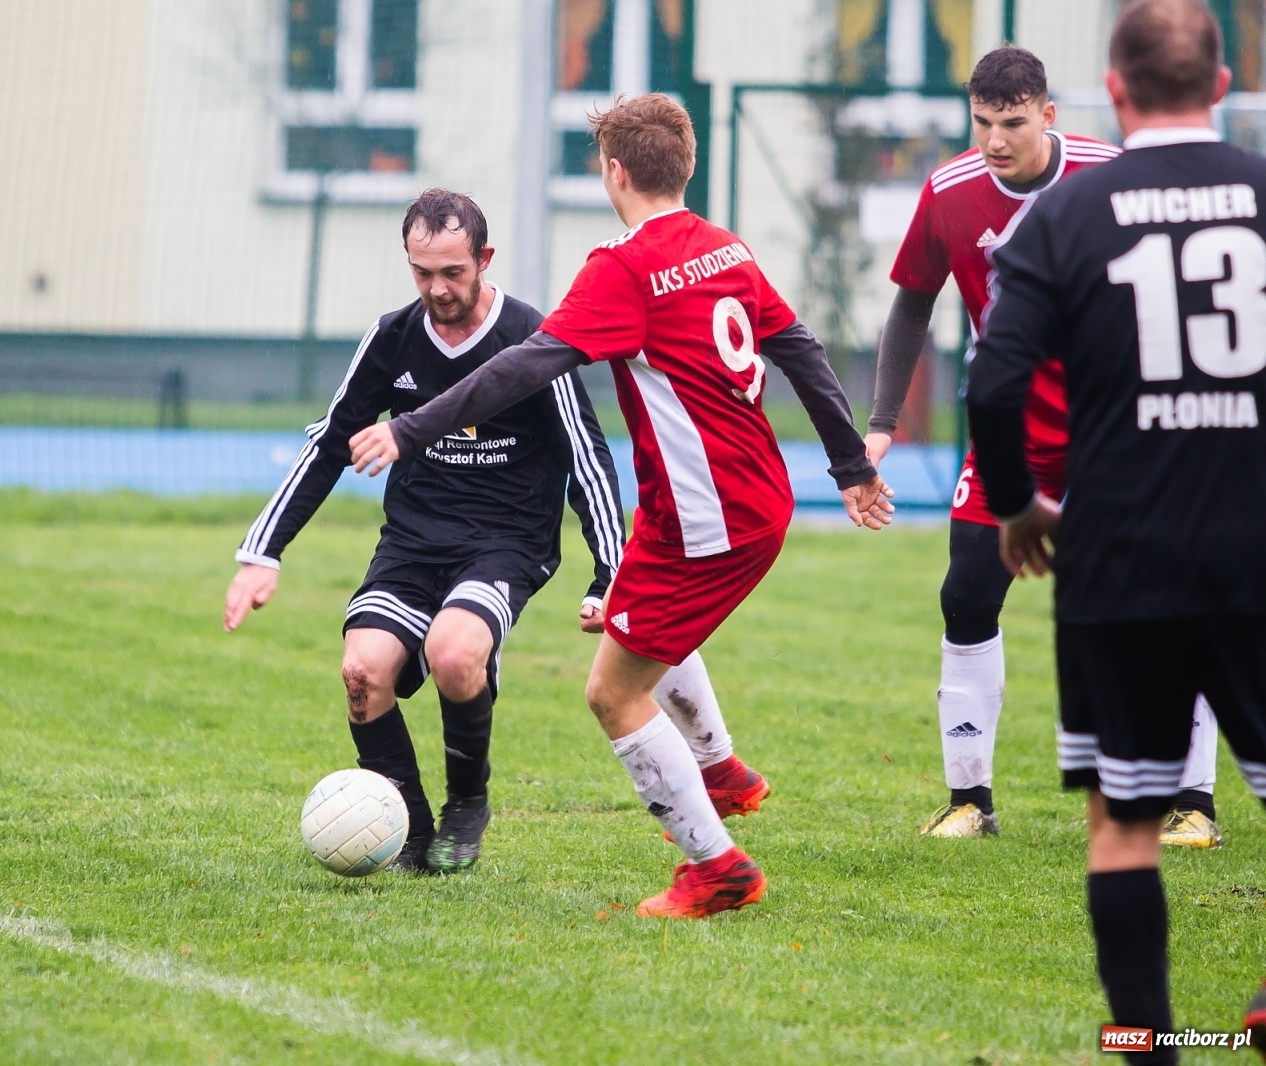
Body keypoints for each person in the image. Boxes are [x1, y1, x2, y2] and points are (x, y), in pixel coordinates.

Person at [349, 96, 894, 917]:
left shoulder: (624, 267)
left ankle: (717, 870)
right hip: (746, 497)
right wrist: (849, 462)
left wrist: (412, 428)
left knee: (613, 693)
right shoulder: (724, 247)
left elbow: (524, 367)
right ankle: (722, 770)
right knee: (630, 616)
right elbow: (800, 350)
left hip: (708, 517)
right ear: (686, 166)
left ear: (614, 172)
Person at [224, 188, 755, 874]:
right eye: (423, 273)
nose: (438, 289)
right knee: (362, 672)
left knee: (452, 654)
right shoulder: (392, 339)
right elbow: (331, 445)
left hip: (506, 542)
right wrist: (261, 553)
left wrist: (608, 571)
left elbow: (585, 458)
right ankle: (407, 823)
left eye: (453, 272)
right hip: (413, 545)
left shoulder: (533, 337)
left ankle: (467, 804)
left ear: (484, 258)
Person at [967, 2, 1266, 1056]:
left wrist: (1015, 505)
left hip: (1119, 556)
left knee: (1123, 824)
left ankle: (1146, 1040)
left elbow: (993, 383)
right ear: (1221, 86)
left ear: (1117, 92)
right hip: (1253, 551)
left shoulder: (1066, 216)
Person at [867, 45, 1224, 845]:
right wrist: (883, 424)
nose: (996, 140)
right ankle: (971, 801)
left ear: (1049, 115)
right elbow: (911, 306)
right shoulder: (950, 192)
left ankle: (1194, 803)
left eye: (1014, 123)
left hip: (1122, 431)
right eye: (983, 122)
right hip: (1011, 436)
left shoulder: (1112, 175)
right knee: (966, 594)